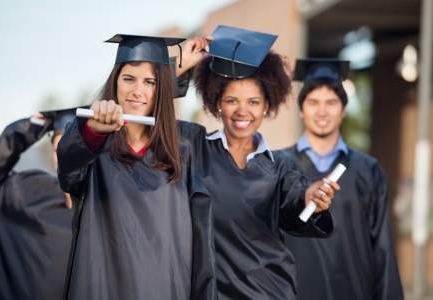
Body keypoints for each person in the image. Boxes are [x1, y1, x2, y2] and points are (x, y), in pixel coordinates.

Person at [175, 25, 339, 299]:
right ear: (217, 102)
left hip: (270, 291)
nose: (243, 111)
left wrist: (311, 199)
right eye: (231, 100)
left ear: (266, 105)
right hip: (212, 291)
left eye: (253, 101)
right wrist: (179, 66)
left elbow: (297, 211)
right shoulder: (193, 146)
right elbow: (147, 116)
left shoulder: (280, 166)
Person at [56, 34, 217, 300]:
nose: (137, 91)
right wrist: (94, 131)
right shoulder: (93, 148)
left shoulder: (180, 155)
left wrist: (177, 65)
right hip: (104, 286)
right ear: (115, 83)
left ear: (161, 90)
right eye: (128, 78)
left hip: (166, 287)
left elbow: (201, 246)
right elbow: (68, 168)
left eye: (150, 82)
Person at [284, 58, 404, 300]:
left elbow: (382, 249)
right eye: (313, 102)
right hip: (294, 293)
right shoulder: (278, 166)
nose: (322, 111)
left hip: (354, 291)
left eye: (331, 102)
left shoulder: (369, 170)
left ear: (344, 109)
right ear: (300, 108)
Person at [0, 108, 78, 300]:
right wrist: (24, 131)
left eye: (74, 148)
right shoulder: (26, 195)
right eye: (58, 149)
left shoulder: (107, 216)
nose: (64, 157)